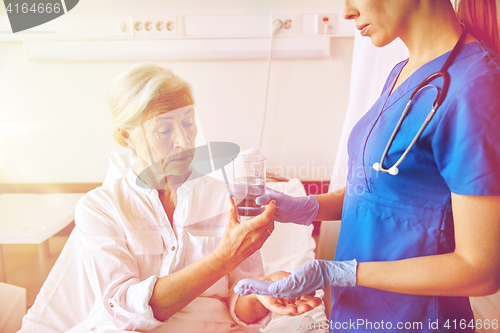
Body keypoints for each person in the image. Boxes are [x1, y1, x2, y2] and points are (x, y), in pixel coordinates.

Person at [235, 0, 500, 332]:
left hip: (415, 322)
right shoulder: (404, 71)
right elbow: (382, 193)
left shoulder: (476, 86)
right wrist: (307, 208)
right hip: (356, 316)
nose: (346, 11)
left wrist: (339, 272)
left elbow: (480, 270)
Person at [69, 63, 321, 333]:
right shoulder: (99, 208)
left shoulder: (227, 200)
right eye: (164, 130)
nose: (183, 140)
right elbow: (127, 310)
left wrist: (266, 291)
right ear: (126, 136)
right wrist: (224, 257)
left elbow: (240, 307)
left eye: (188, 123)